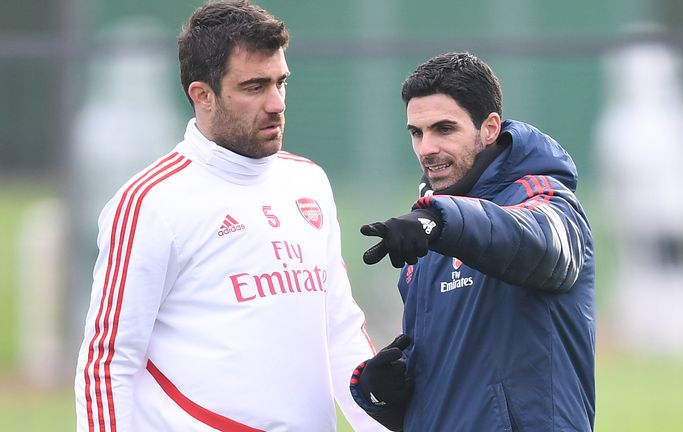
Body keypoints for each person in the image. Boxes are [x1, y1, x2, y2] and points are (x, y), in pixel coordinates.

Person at [74, 1, 385, 431]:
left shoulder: (308, 181)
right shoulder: (150, 203)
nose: (276, 103)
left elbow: (340, 331)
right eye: (255, 86)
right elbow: (108, 362)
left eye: (281, 82)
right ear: (202, 95)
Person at [349, 52, 596, 431]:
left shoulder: (544, 198)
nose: (426, 148)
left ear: (490, 128)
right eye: (417, 132)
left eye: (444, 129)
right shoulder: (428, 233)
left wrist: (441, 221)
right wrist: (383, 393)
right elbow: (450, 391)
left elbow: (548, 249)